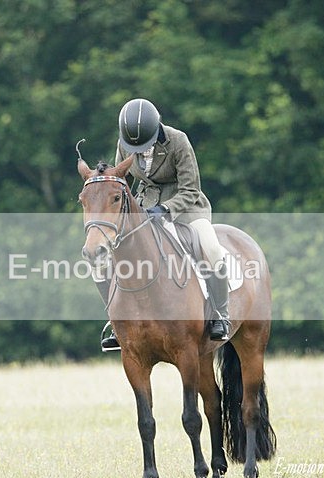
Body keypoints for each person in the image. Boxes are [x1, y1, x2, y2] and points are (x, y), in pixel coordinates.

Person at [97, 98, 230, 350]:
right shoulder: (125, 144)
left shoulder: (178, 141)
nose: (138, 150)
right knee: (109, 255)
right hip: (145, 207)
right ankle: (117, 321)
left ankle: (220, 315)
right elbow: (121, 181)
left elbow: (191, 189)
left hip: (185, 207)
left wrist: (166, 208)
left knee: (211, 248)